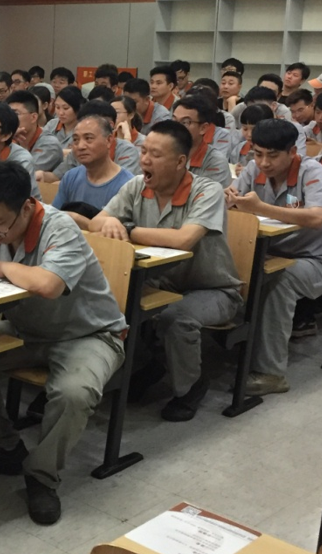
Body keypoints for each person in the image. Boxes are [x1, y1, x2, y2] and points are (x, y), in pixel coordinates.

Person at [0, 161, 126, 525]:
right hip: (27, 330)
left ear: (28, 206)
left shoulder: (59, 227)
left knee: (74, 393)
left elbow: (48, 285)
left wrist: (0, 267)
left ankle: (42, 475)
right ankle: (4, 447)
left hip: (88, 334)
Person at [91, 121, 243, 421]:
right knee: (112, 303)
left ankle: (190, 387)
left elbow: (184, 240)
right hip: (161, 283)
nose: (145, 160)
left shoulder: (207, 190)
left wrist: (127, 229)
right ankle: (148, 364)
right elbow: (97, 222)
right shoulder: (137, 185)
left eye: (156, 154)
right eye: (143, 151)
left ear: (180, 161)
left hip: (212, 289)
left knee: (176, 317)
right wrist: (110, 221)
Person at [226, 119, 322, 396]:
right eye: (258, 154)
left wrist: (259, 207)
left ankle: (271, 373)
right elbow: (235, 201)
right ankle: (234, 342)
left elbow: (316, 217)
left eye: (273, 155)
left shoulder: (312, 172)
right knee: (227, 271)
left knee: (279, 281)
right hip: (266, 251)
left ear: (292, 152)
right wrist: (229, 198)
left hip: (314, 258)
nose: (264, 163)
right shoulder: (253, 169)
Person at [51, 113, 134, 228]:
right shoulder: (71, 177)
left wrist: (79, 220)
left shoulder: (128, 185)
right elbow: (53, 219)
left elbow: (122, 233)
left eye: (88, 139)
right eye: (75, 140)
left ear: (109, 140)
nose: (81, 146)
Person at [172, 95, 232, 186]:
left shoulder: (215, 162)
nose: (176, 127)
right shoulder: (163, 153)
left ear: (203, 128)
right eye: (174, 121)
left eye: (185, 122)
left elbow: (210, 194)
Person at [7, 90, 63, 172]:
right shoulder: (8, 138)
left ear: (33, 117)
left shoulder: (50, 144)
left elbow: (26, 173)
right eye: (8, 114)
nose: (10, 118)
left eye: (15, 114)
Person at [40, 86, 84, 162]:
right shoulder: (52, 124)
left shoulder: (84, 128)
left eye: (65, 108)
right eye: (57, 107)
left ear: (78, 108)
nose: (60, 113)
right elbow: (39, 147)